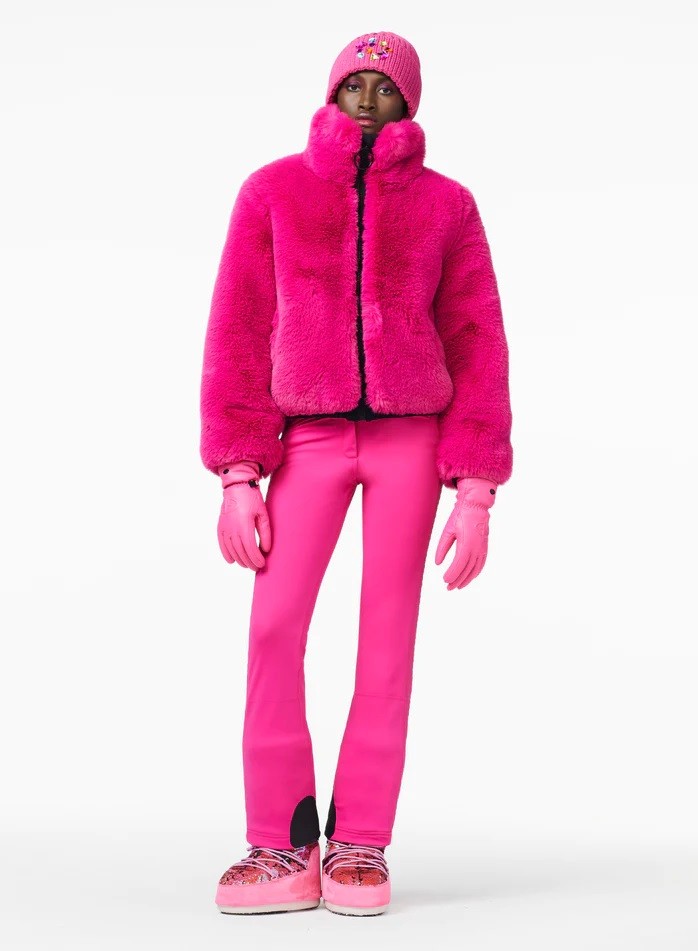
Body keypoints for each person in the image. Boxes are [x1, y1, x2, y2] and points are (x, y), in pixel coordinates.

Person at [199, 30, 513, 917]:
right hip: (307, 438)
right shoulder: (271, 192)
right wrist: (237, 472)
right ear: (330, 91)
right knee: (274, 626)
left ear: (410, 102)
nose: (368, 99)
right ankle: (279, 841)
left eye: (386, 87)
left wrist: (476, 490)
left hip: (411, 440)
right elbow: (238, 325)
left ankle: (360, 841)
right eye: (354, 83)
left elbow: (476, 337)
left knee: (386, 639)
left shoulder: (448, 205)